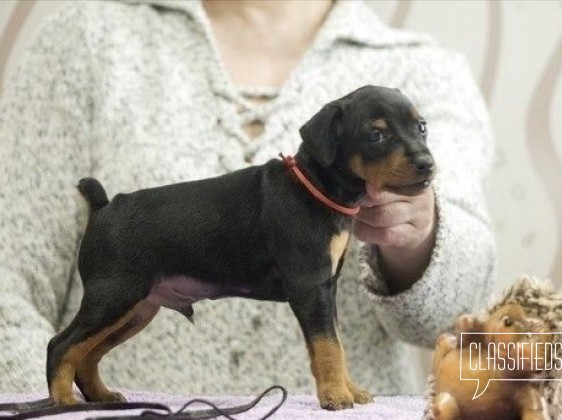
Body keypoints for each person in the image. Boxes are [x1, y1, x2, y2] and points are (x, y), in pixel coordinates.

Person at [0, 0, 496, 395]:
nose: (421, 154)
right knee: (114, 306)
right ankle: (71, 373)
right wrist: (43, 409)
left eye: (420, 132)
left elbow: (460, 312)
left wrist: (419, 238)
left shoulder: (425, 66)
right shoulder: (85, 40)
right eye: (380, 136)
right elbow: (7, 273)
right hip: (134, 400)